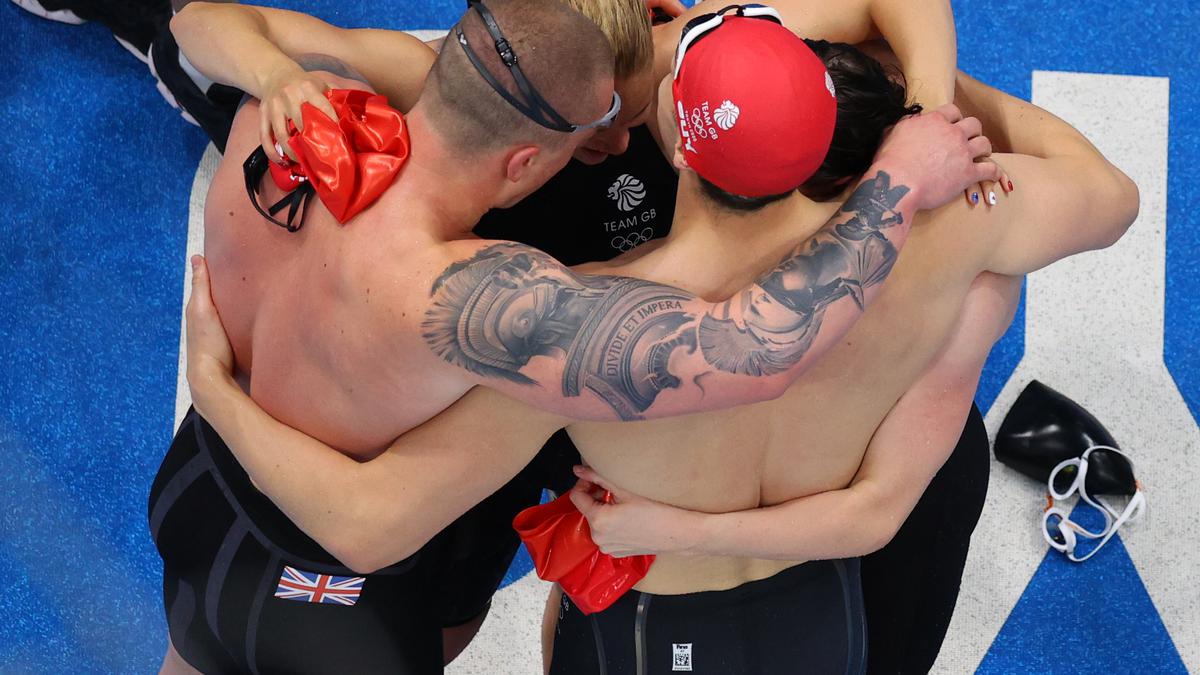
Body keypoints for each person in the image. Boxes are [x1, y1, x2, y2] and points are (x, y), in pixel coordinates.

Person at [181, 10, 1137, 673]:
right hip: (837, 601)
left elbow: (369, 518)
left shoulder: (565, 339)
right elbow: (1108, 195)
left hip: (641, 615)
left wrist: (215, 395)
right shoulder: (964, 238)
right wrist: (931, 114)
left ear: (677, 135)